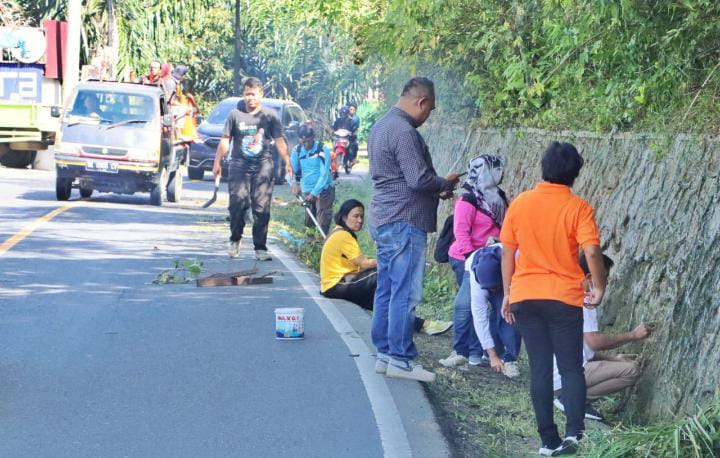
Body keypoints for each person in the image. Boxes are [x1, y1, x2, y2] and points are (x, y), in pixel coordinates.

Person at [500, 141, 607, 456]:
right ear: (575, 175)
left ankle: (548, 441)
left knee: (540, 368)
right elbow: (591, 251)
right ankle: (574, 434)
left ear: (544, 168)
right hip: (562, 298)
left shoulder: (520, 203)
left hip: (525, 295)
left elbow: (507, 252)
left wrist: (508, 293)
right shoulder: (578, 208)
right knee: (571, 368)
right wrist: (599, 287)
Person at [368, 77, 461, 383]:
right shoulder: (404, 132)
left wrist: (437, 188)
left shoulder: (381, 126)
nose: (428, 116)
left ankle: (384, 353)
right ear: (421, 102)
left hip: (384, 217)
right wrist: (444, 183)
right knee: (406, 292)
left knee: (387, 289)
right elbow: (418, 179)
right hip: (404, 221)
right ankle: (401, 358)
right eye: (430, 109)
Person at [320, 199, 453, 336]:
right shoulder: (343, 235)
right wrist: (393, 261)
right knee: (384, 272)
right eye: (355, 216)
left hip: (334, 285)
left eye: (362, 216)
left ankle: (425, 325)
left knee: (382, 303)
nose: (360, 220)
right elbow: (364, 264)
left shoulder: (338, 232)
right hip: (336, 285)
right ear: (344, 217)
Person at [553, 253, 651, 421]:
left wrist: (615, 359)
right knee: (632, 371)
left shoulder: (565, 295)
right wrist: (633, 335)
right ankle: (572, 400)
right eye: (604, 277)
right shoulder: (585, 301)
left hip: (554, 377)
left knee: (625, 366)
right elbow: (594, 342)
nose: (606, 282)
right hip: (565, 376)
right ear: (589, 277)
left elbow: (584, 349)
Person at [439, 154, 507, 371]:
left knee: (485, 306)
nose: (500, 173)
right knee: (466, 304)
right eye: (496, 169)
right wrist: (472, 260)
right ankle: (461, 352)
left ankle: (477, 352)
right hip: (466, 259)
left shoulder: (498, 197)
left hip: (490, 259)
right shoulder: (468, 199)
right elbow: (461, 233)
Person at [213, 77, 292, 261]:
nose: (250, 98)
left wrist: (287, 161)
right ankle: (235, 238)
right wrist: (217, 162)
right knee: (237, 204)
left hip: (263, 166)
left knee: (261, 208)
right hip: (239, 165)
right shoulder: (234, 115)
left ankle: (260, 248)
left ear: (261, 94)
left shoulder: (270, 116)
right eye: (247, 94)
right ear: (243, 94)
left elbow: (279, 140)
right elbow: (225, 140)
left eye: (253, 94)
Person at [466, 242, 523, 378]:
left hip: (514, 278)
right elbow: (479, 317)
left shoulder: (516, 258)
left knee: (510, 313)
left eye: (494, 288)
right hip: (484, 274)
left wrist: (509, 295)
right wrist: (493, 356)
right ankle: (492, 352)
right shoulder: (476, 280)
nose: (492, 291)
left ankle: (510, 359)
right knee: (490, 312)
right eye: (489, 289)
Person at [290, 125, 335, 236]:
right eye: (303, 142)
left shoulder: (322, 149)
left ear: (313, 137)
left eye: (308, 141)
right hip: (307, 191)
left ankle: (321, 243)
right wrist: (293, 184)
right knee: (310, 223)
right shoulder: (297, 150)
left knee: (322, 220)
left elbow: (324, 174)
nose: (306, 144)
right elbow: (291, 170)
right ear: (299, 140)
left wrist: (315, 193)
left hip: (323, 190)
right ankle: (310, 243)